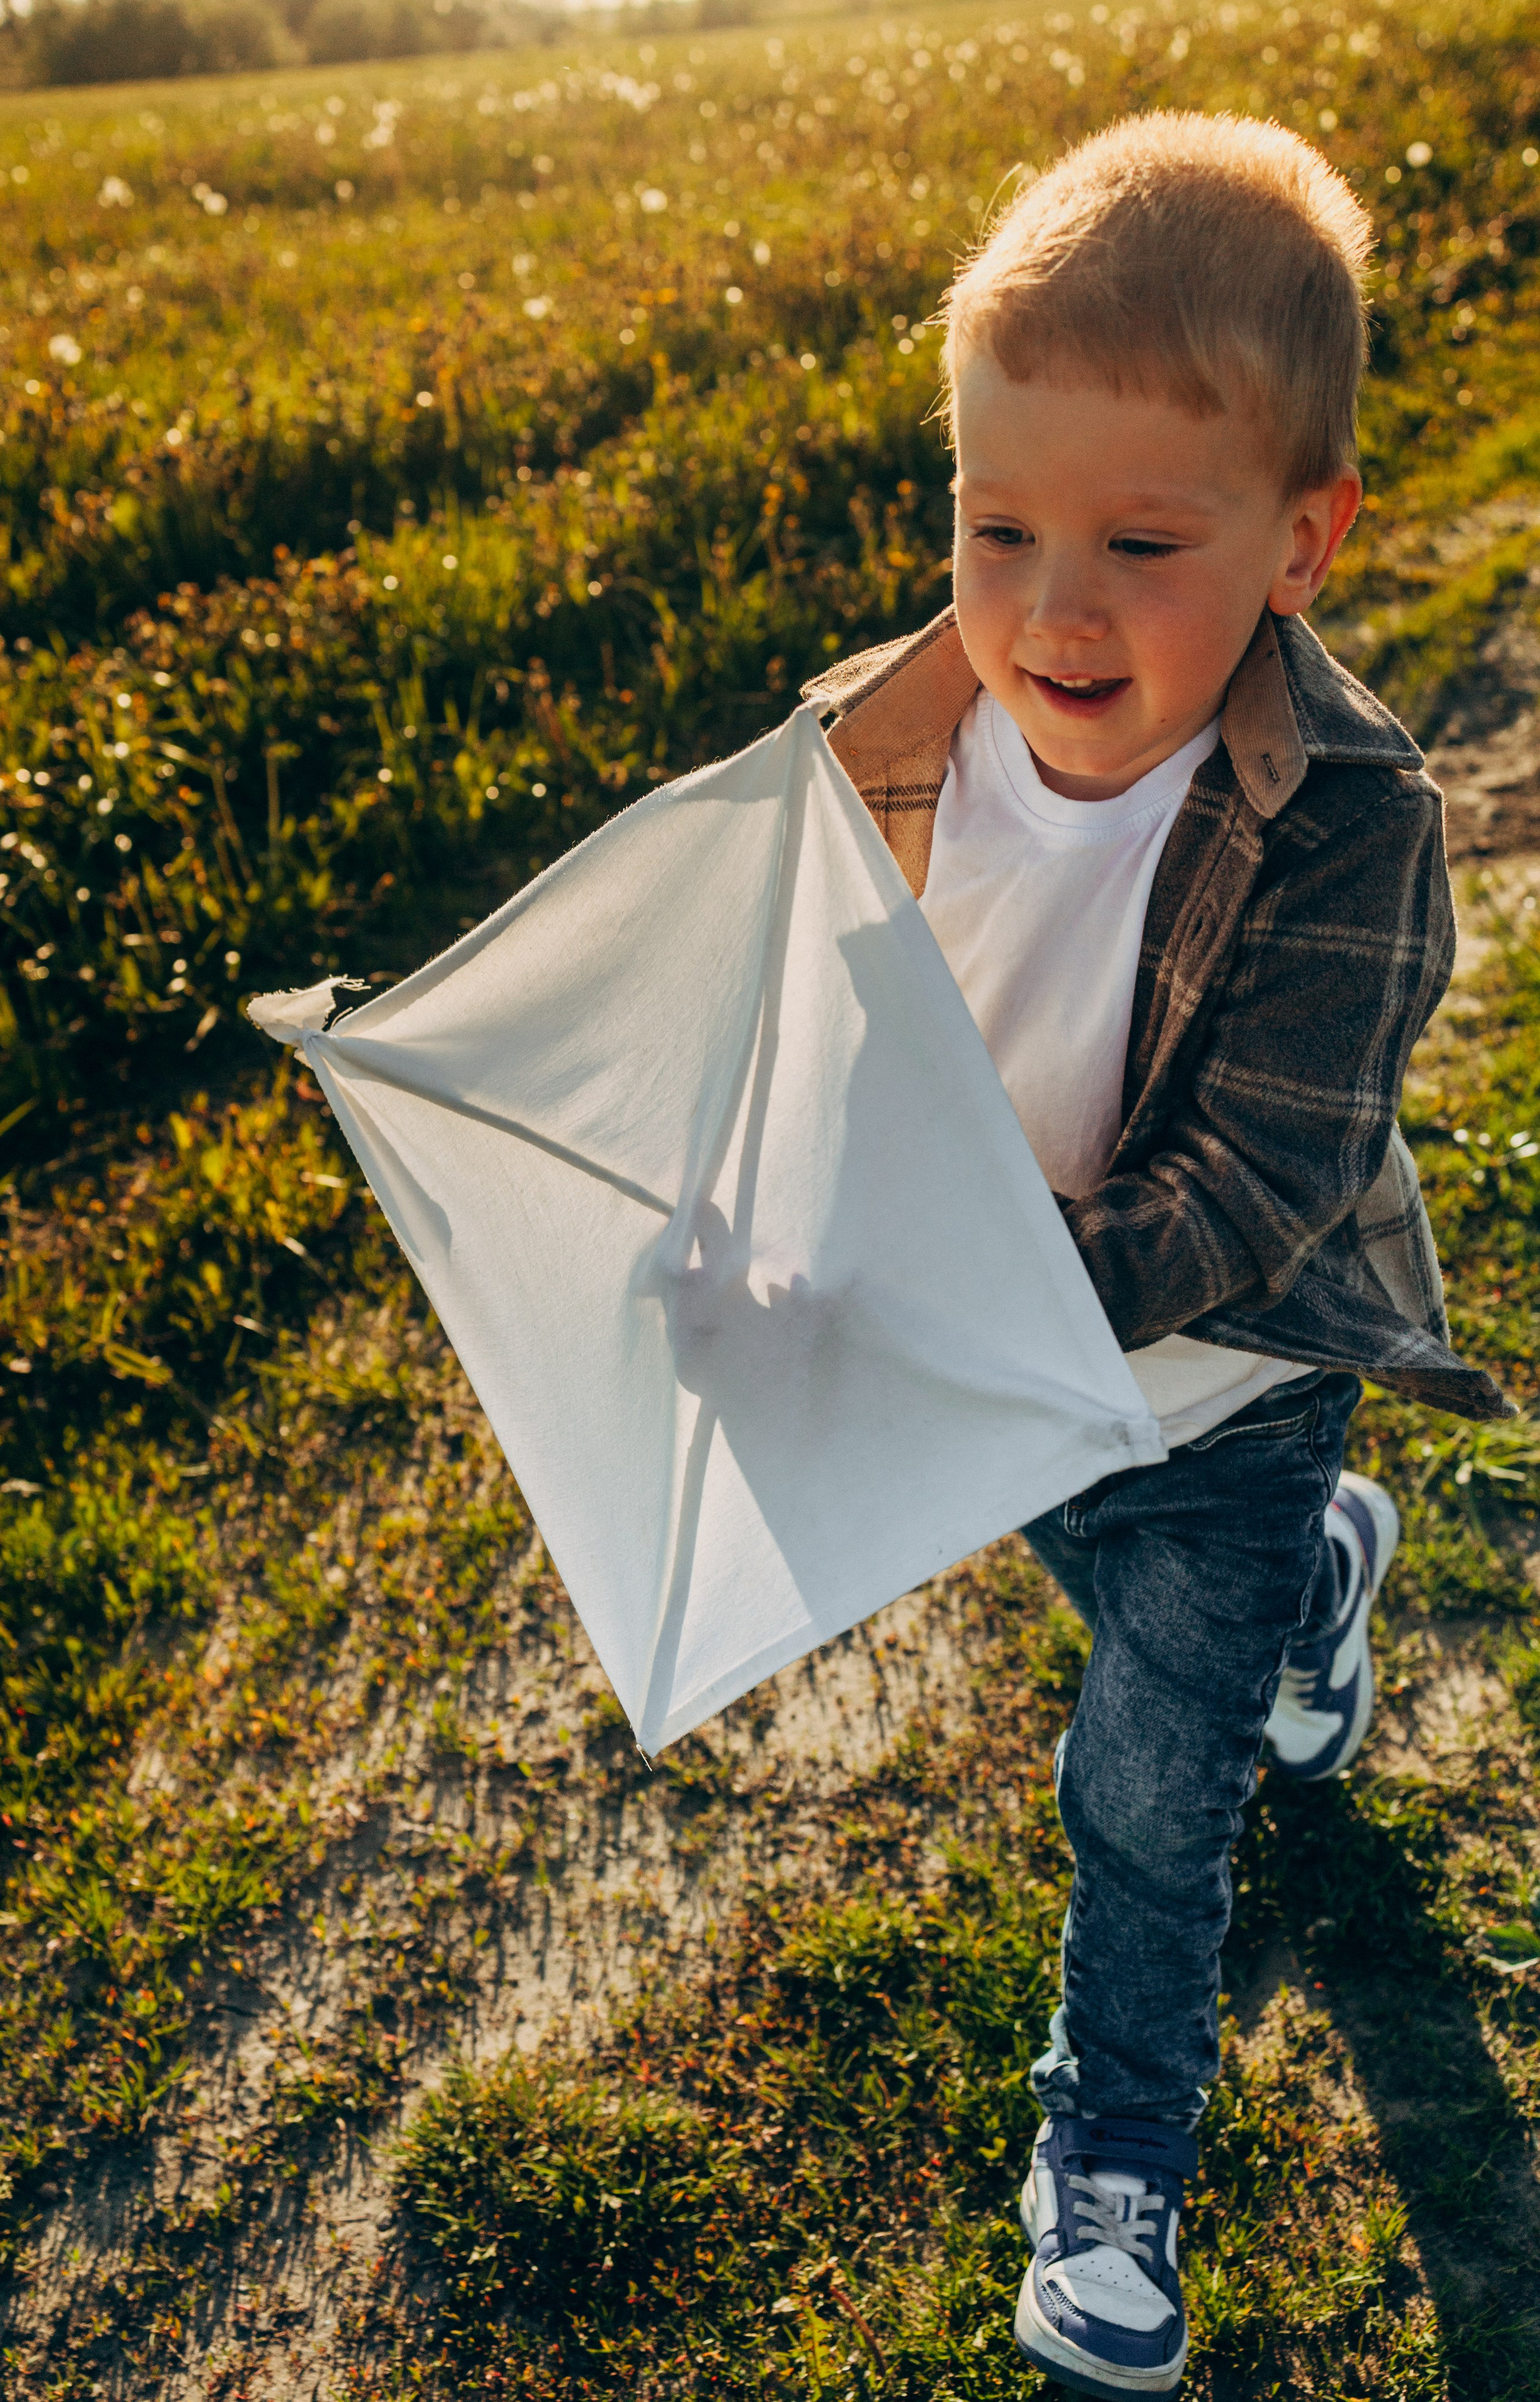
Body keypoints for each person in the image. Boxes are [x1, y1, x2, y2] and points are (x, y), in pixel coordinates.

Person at [803, 111, 1512, 2399]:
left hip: (1223, 1385)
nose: (1050, 610)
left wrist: (978, 1285)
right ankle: (1325, 1590)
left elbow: (1247, 1198)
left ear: (1304, 544)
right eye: (997, 529)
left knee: (1143, 1781)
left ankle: (1111, 2151)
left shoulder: (1351, 831)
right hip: (1026, 1379)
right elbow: (819, 998)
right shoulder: (898, 739)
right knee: (1103, 1596)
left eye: (1138, 541)